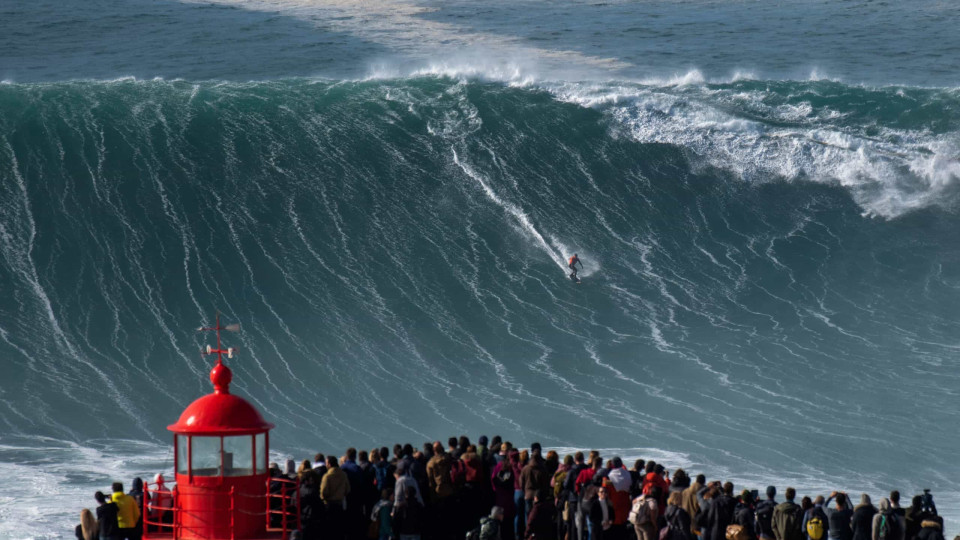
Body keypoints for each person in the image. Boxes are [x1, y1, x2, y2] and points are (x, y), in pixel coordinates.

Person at [321, 456, 351, 540]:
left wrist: (324, 499)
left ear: (329, 464)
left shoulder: (327, 476)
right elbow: (348, 489)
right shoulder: (343, 475)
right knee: (338, 530)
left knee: (329, 530)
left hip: (329, 505)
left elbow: (323, 492)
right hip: (339, 505)